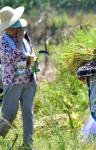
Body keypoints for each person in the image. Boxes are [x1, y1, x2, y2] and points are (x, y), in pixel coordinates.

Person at [0, 6, 37, 148]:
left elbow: (31, 55)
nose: (16, 30)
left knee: (28, 114)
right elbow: (16, 57)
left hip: (28, 80)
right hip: (13, 82)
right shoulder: (3, 42)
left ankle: (29, 144)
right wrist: (21, 44)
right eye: (12, 28)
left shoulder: (24, 36)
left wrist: (33, 68)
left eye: (16, 27)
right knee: (8, 115)